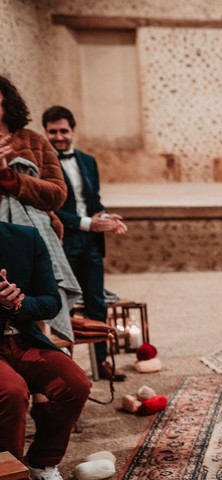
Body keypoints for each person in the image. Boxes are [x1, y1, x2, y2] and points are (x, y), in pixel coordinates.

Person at [0, 221, 92, 480]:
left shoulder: (25, 237)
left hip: (23, 339)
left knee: (75, 384)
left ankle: (41, 463)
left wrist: (18, 303)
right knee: (12, 392)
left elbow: (51, 302)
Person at [42, 105, 127, 382]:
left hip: (91, 243)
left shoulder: (88, 161)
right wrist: (88, 222)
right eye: (52, 132)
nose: (58, 137)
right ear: (46, 133)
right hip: (63, 242)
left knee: (97, 304)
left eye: (63, 131)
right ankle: (65, 367)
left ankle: (102, 361)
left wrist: (108, 218)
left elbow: (94, 201)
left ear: (73, 131)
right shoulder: (44, 165)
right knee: (63, 304)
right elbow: (48, 209)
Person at [0, 76, 81, 344]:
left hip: (33, 239)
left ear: (6, 102)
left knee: (36, 304)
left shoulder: (33, 141)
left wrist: (10, 178)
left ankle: (40, 368)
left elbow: (57, 194)